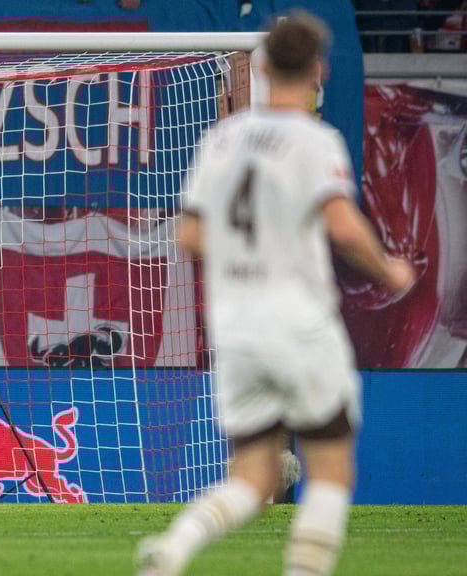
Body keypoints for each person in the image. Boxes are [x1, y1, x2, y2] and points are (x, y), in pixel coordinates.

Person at [136, 12, 415, 576]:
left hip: (237, 331)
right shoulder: (316, 141)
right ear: (319, 71)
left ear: (260, 66)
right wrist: (388, 270)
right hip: (300, 323)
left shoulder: (223, 138)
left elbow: (188, 234)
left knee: (252, 476)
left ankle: (177, 546)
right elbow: (340, 223)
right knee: (330, 470)